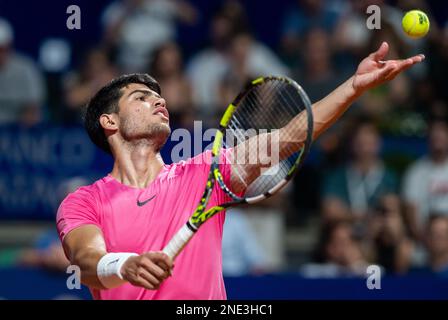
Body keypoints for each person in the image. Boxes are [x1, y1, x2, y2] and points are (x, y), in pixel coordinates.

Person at [56, 42, 424, 299]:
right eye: (141, 97)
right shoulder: (85, 201)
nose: (159, 100)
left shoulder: (203, 173)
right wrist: (126, 266)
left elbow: (288, 138)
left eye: (160, 96)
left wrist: (353, 88)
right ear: (109, 121)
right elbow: (87, 261)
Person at [402, 118, 448, 241]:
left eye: (442, 134)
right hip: (425, 239)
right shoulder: (415, 172)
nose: (438, 137)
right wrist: (423, 239)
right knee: (405, 249)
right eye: (434, 134)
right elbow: (410, 211)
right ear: (428, 139)